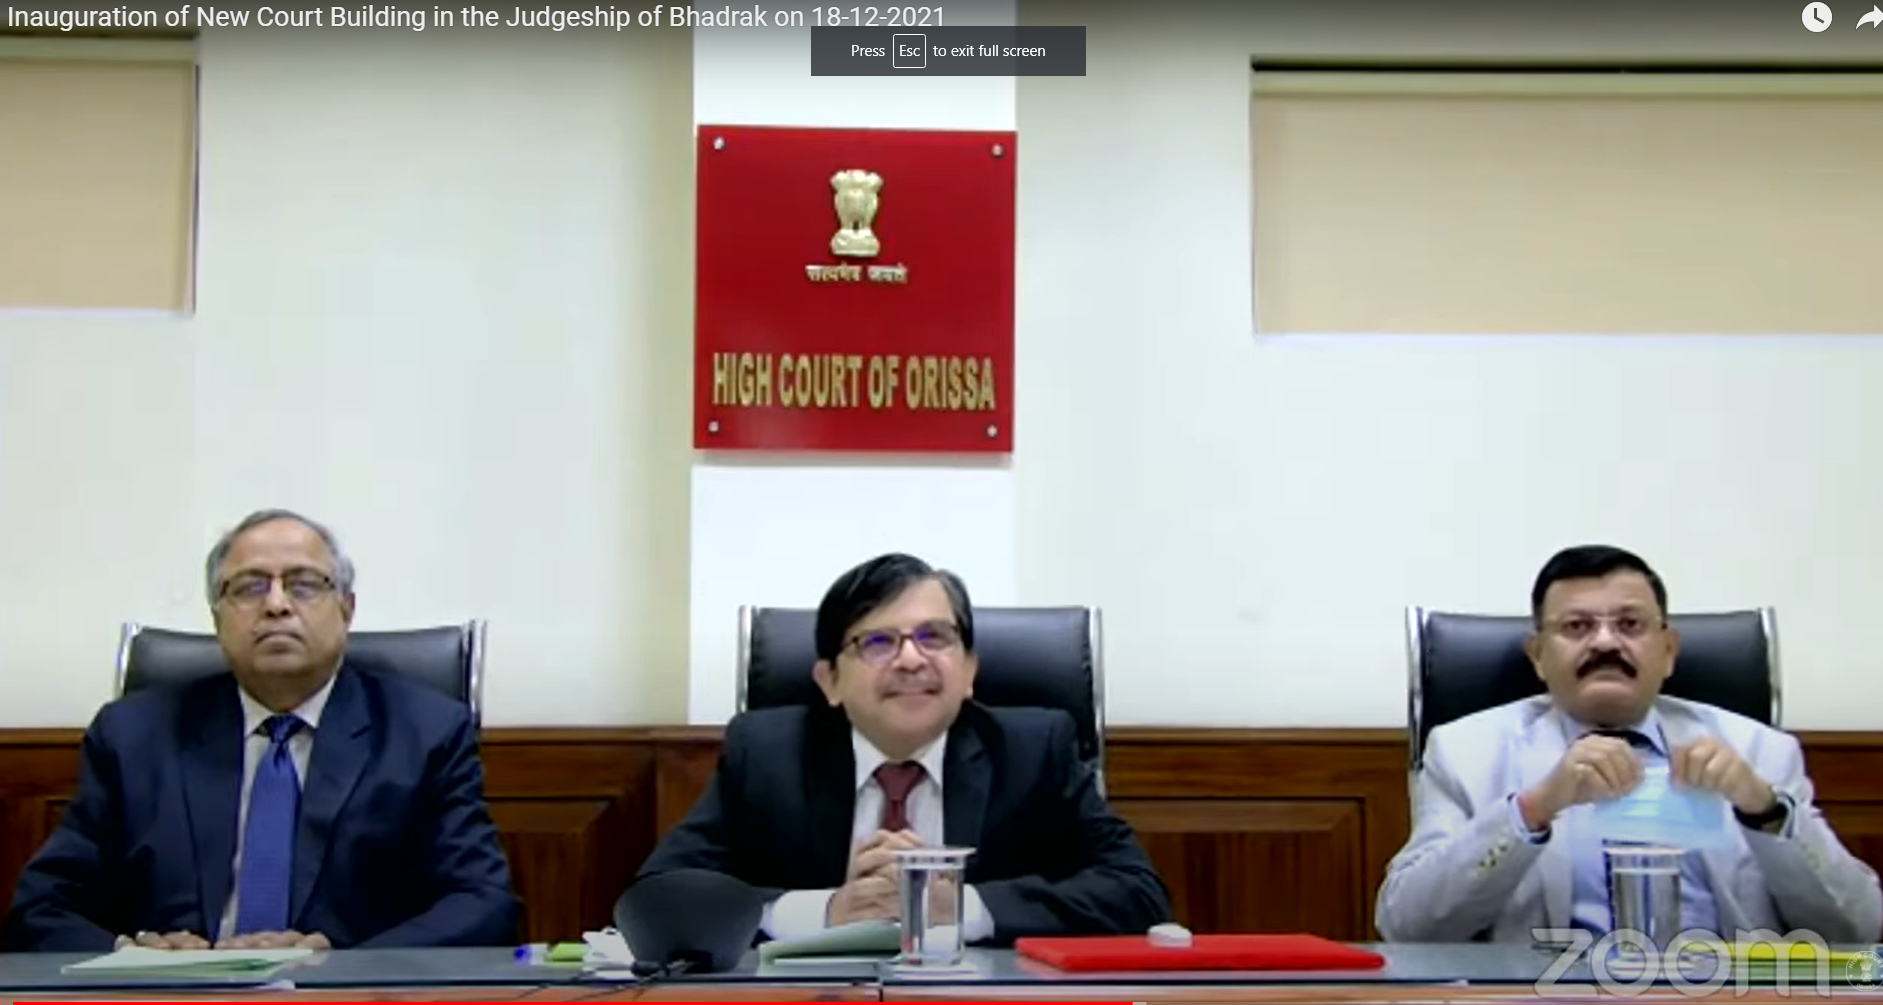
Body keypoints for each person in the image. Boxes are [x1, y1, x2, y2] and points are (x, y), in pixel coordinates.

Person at [1, 509, 520, 952]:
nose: (276, 604)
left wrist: (342, 963)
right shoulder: (134, 737)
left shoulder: (424, 734)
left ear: (346, 609)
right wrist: (130, 956)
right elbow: (40, 908)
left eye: (303, 584)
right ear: (217, 616)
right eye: (250, 587)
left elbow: (485, 905)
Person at [628, 552, 1171, 946]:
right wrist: (825, 912)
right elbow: (659, 897)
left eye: (934, 637)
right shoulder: (767, 754)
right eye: (878, 642)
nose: (912, 660)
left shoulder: (1034, 750)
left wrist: (959, 908)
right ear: (829, 681)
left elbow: (1138, 893)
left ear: (970, 671)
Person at [1377, 544, 1882, 943]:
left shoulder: (1759, 751)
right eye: (1577, 626)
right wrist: (1532, 809)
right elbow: (1406, 926)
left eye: (1630, 624)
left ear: (1668, 650)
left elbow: (1858, 929)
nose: (1604, 642)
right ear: (1538, 655)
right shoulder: (1465, 753)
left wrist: (1766, 810)